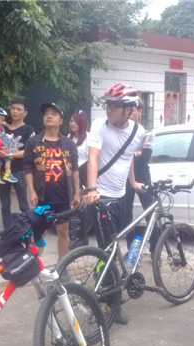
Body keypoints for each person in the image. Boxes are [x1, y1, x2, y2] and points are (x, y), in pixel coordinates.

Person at [84, 83, 146, 325]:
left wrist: (133, 183)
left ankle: (102, 284)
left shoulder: (138, 132)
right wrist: (92, 190)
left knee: (112, 247)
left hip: (121, 196)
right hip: (101, 198)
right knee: (109, 250)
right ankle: (112, 303)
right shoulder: (100, 125)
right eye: (107, 104)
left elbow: (127, 157)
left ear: (129, 109)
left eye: (114, 105)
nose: (108, 109)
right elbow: (93, 159)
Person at [24, 103, 80, 259]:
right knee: (39, 231)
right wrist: (31, 191)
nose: (49, 116)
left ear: (61, 121)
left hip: (63, 196)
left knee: (63, 231)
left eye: (54, 114)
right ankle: (34, 263)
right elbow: (28, 169)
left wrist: (76, 193)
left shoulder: (68, 144)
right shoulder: (33, 142)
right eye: (46, 113)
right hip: (43, 196)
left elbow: (75, 170)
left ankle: (62, 265)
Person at [0, 99, 35, 229]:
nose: (15, 111)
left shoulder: (29, 129)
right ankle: (7, 232)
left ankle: (27, 231)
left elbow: (28, 152)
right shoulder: (2, 128)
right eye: (13, 108)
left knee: (24, 205)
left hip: (20, 171)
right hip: (2, 172)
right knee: (5, 205)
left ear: (25, 113)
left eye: (19, 109)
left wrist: (8, 155)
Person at [123, 98, 158, 252]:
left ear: (139, 112)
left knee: (150, 211)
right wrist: (135, 153)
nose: (129, 114)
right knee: (126, 214)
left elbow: (145, 156)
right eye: (128, 111)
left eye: (133, 111)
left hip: (142, 175)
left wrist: (130, 155)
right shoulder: (122, 132)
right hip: (124, 176)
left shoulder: (147, 132)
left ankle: (155, 248)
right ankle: (131, 249)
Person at [68, 109, 92, 249]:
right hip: (70, 176)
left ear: (82, 123)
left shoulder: (89, 138)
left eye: (75, 121)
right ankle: (73, 237)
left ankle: (82, 237)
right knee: (72, 206)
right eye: (71, 121)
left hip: (84, 176)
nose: (72, 124)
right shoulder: (68, 138)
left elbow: (92, 161)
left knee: (83, 207)